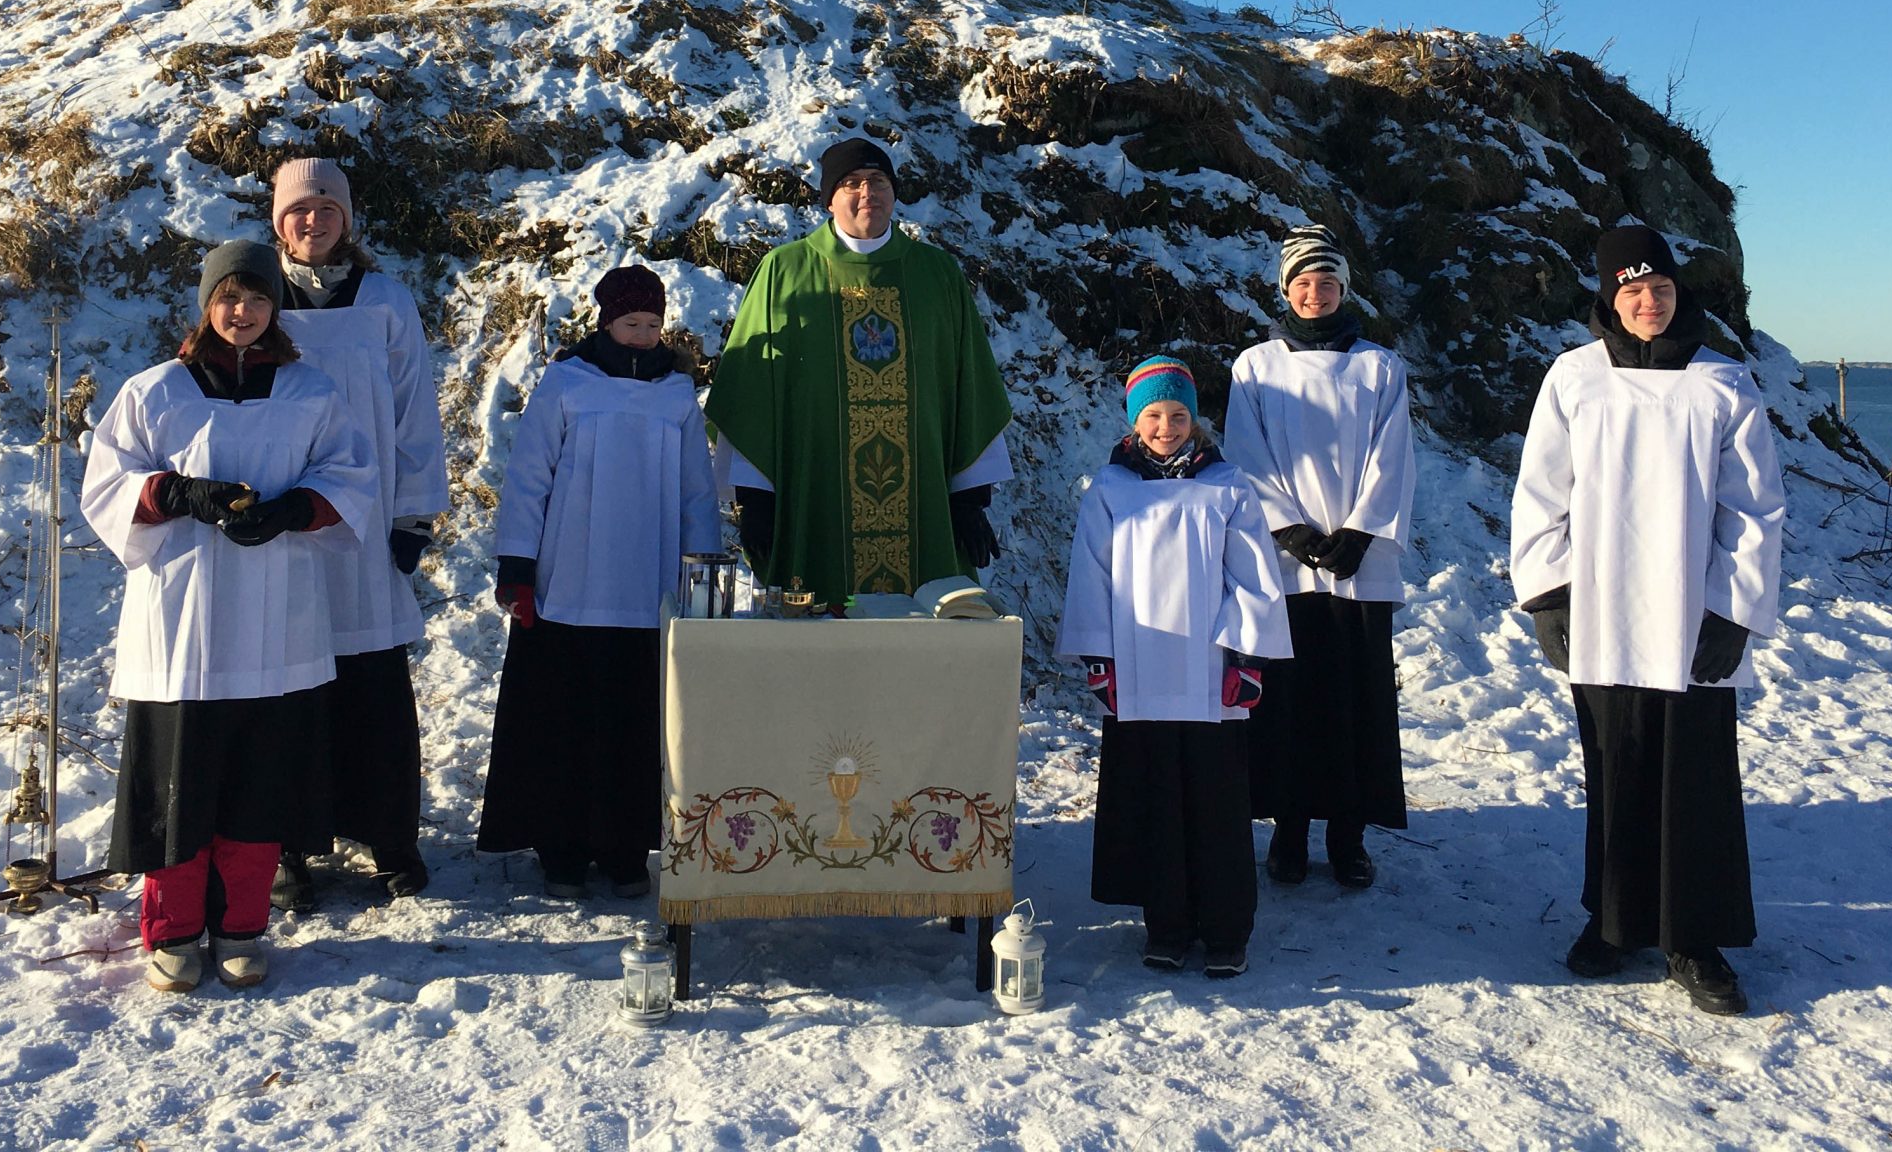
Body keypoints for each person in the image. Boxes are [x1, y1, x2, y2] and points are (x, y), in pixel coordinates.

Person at [78, 240, 375, 993]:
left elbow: (350, 475)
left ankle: (242, 924)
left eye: (256, 299)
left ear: (275, 307)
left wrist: (292, 512)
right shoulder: (156, 392)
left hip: (278, 617)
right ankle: (173, 928)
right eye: (228, 298)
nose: (241, 313)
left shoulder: (310, 392)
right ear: (207, 305)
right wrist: (174, 495)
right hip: (183, 620)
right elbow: (106, 481)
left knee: (257, 783)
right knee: (181, 783)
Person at [1510, 222, 1787, 1017]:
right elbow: (1541, 493)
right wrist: (1548, 596)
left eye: (1659, 289)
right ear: (1609, 298)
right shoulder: (1573, 380)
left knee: (1692, 780)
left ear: (1677, 291)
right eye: (1631, 292)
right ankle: (1615, 921)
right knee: (1617, 768)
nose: (1647, 304)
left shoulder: (1722, 384)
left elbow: (1755, 509)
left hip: (1691, 617)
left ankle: (1693, 939)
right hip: (1600, 613)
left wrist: (1732, 610)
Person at [475, 265, 717, 899]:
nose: (643, 336)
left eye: (653, 325)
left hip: (650, 582)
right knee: (567, 718)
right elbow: (530, 478)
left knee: (635, 719)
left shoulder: (676, 394)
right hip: (571, 585)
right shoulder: (567, 382)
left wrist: (701, 572)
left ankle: (626, 847)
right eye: (632, 324)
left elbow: (697, 491)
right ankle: (561, 846)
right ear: (606, 322)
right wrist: (518, 567)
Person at [706, 137, 1014, 607]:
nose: (867, 191)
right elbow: (753, 392)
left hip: (922, 503)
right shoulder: (783, 272)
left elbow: (968, 383)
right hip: (815, 495)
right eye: (851, 183)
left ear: (894, 193)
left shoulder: (937, 274)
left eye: (878, 181)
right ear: (829, 198)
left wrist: (970, 499)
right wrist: (756, 502)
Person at [1059, 355, 1291, 978]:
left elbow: (1253, 578)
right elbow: (1092, 578)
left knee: (1216, 802)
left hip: (1210, 675)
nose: (1167, 427)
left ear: (1195, 419)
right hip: (1139, 674)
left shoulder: (1228, 486)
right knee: (1157, 800)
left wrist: (1247, 658)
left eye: (1179, 415)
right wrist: (1100, 659)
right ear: (1136, 423)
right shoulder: (1111, 490)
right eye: (1155, 416)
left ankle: (1225, 929)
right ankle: (1165, 923)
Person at [263, 158, 449, 908]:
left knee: (373, 688)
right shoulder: (252, 299)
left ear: (347, 220)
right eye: (299, 211)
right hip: (281, 526)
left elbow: (414, 411)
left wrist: (412, 514)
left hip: (366, 528)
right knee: (286, 686)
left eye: (327, 210)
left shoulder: (384, 300)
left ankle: (388, 835)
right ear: (279, 221)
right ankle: (287, 844)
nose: (314, 223)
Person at [1222, 223, 1416, 890]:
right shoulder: (1257, 366)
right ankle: (1291, 830)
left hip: (1358, 570)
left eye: (1326, 281)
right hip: (1287, 567)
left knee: (1353, 701)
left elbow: (1394, 458)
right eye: (1303, 282)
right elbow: (1246, 454)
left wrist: (1361, 532)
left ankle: (1349, 834)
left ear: (1343, 288)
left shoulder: (1379, 366)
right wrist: (1289, 530)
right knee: (1289, 702)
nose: (1315, 292)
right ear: (1286, 290)